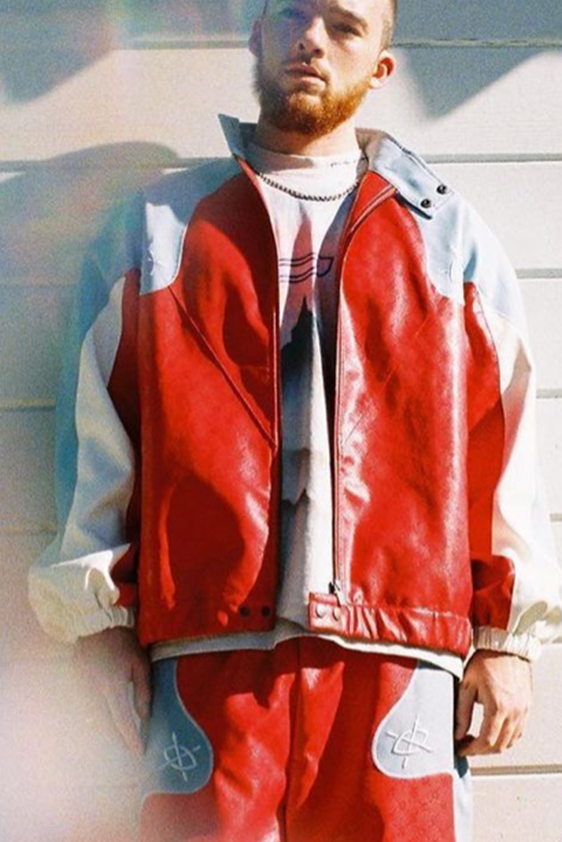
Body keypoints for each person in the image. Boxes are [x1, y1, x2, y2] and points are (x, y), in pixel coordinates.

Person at [28, 0, 562, 840]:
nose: (313, 38)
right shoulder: (160, 227)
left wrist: (506, 638)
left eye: (345, 26)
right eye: (293, 14)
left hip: (400, 652)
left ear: (381, 66)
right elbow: (99, 428)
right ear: (257, 34)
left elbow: (502, 439)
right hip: (207, 652)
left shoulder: (446, 236)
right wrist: (98, 625)